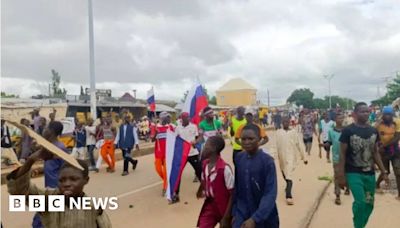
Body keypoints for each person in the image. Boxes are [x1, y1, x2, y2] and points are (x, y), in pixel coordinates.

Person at [7, 152, 111, 227]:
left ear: (86, 180)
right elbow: (19, 191)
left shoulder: (95, 209)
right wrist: (31, 160)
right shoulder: (48, 200)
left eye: (73, 179)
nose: (66, 184)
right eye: (62, 180)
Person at [338, 102, 389, 228]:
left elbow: (375, 152)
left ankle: (360, 224)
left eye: (367, 111)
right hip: (353, 173)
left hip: (370, 173)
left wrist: (384, 171)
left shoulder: (373, 131)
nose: (366, 113)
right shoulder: (348, 131)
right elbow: (342, 155)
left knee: (369, 204)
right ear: (355, 114)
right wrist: (341, 176)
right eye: (362, 111)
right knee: (360, 202)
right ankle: (358, 226)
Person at [229, 124, 279, 228]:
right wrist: (234, 213)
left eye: (251, 139)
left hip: (264, 216)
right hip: (242, 213)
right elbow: (237, 188)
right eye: (244, 139)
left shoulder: (267, 162)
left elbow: (270, 193)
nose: (246, 142)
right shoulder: (239, 158)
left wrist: (255, 219)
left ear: (259, 139)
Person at [33, 120, 69, 228]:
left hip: (55, 190)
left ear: (51, 131)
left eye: (46, 128)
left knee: (42, 221)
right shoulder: (49, 146)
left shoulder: (59, 148)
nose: (44, 130)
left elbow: (65, 169)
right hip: (49, 189)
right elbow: (52, 166)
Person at [196, 136, 234, 228]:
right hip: (210, 205)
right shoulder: (205, 164)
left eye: (206, 145)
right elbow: (204, 178)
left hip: (224, 207)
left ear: (214, 148)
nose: (204, 147)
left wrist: (226, 217)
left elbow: (233, 193)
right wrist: (201, 189)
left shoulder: (224, 169)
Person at [275, 117, 308, 205]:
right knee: (284, 173)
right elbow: (275, 145)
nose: (285, 123)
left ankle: (288, 195)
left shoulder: (294, 133)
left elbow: (299, 144)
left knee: (289, 174)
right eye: (284, 122)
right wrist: (271, 156)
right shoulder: (278, 133)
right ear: (282, 123)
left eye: (287, 122)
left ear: (289, 123)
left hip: (291, 157)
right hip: (281, 157)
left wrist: (304, 157)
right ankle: (287, 185)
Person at [172, 112, 202, 203]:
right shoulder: (177, 128)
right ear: (181, 118)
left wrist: (195, 142)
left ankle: (205, 190)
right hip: (182, 154)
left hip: (193, 153)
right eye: (185, 117)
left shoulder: (194, 127)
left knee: (200, 171)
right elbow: (175, 139)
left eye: (188, 117)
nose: (187, 119)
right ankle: (176, 194)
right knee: (178, 174)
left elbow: (198, 137)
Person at [375, 106, 400, 199]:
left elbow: (397, 137)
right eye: (385, 114)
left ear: (392, 115)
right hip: (383, 152)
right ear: (383, 115)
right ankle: (376, 185)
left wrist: (384, 145)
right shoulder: (378, 125)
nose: (387, 117)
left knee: (398, 171)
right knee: (385, 171)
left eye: (389, 114)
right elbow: (374, 135)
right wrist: (378, 146)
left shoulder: (397, 122)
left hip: (395, 150)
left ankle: (399, 195)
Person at [324, 112, 349, 205]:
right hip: (336, 157)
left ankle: (347, 187)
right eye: (339, 118)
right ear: (335, 120)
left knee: (347, 174)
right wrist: (326, 145)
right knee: (337, 176)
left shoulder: (347, 130)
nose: (341, 120)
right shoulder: (331, 131)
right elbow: (329, 142)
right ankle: (337, 195)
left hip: (347, 157)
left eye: (342, 118)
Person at [153, 112, 175, 196]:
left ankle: (165, 187)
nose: (168, 119)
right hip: (159, 152)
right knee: (158, 169)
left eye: (168, 117)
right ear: (162, 118)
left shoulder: (171, 126)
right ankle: (168, 180)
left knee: (166, 171)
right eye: (167, 117)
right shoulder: (156, 127)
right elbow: (152, 139)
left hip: (168, 153)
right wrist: (156, 133)